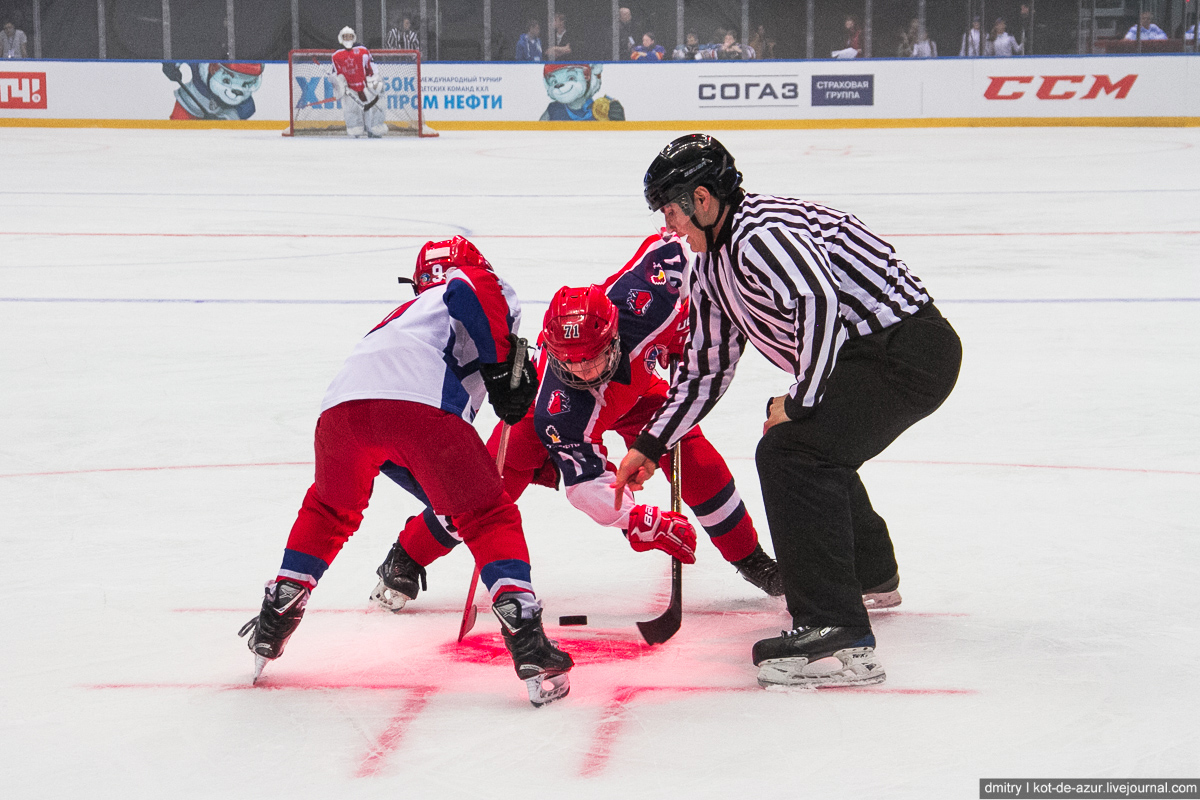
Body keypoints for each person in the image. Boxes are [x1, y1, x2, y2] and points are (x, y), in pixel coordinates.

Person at [616, 134, 962, 688]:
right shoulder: (710, 267)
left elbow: (818, 301)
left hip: (907, 349)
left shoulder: (760, 233)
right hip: (869, 355)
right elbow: (706, 369)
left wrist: (801, 401)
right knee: (812, 447)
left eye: (671, 210)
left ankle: (834, 624)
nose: (669, 225)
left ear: (702, 199)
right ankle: (870, 572)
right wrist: (651, 443)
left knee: (792, 452)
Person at [369, 234, 784, 616]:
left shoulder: (647, 297)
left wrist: (684, 329)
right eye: (570, 362)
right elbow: (586, 486)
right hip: (551, 418)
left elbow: (671, 247)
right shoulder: (560, 403)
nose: (583, 372)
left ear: (614, 335)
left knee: (696, 460)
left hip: (636, 391)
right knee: (484, 495)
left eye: (592, 359)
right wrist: (639, 520)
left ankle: (751, 559)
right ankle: (406, 556)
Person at [238, 236, 574, 708]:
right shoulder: (479, 283)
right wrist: (501, 372)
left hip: (341, 412)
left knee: (330, 509)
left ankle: (280, 606)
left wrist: (452, 495)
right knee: (488, 515)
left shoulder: (406, 313)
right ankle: (527, 637)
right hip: (422, 407)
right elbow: (469, 288)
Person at [331, 26, 388, 138]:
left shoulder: (362, 50)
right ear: (341, 38)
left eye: (350, 36)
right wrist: (339, 83)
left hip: (364, 86)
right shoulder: (336, 55)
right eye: (345, 36)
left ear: (354, 37)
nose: (348, 38)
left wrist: (374, 77)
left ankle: (374, 128)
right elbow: (335, 74)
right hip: (350, 88)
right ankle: (355, 129)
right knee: (352, 110)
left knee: (374, 105)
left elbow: (371, 65)